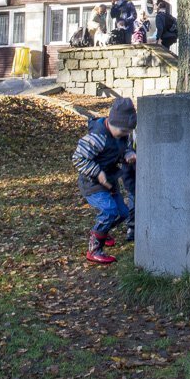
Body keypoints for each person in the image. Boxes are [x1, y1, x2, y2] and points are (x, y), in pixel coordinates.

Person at [71, 97, 137, 264]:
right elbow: (78, 158)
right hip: (92, 183)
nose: (125, 135)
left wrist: (127, 153)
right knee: (109, 211)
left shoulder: (122, 134)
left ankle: (103, 230)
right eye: (122, 131)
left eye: (127, 132)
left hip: (110, 181)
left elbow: (124, 147)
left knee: (122, 213)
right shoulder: (96, 137)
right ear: (111, 122)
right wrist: (97, 172)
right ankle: (94, 249)